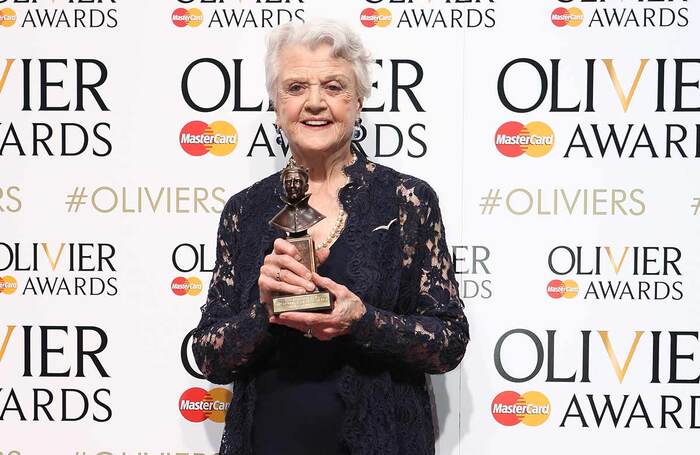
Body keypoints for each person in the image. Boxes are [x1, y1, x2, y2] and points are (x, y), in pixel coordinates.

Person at [192, 18, 469, 455]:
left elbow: (449, 343)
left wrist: (362, 319)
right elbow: (209, 357)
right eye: (296, 87)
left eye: (334, 87)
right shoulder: (244, 211)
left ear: (358, 100)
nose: (315, 103)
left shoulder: (407, 200)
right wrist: (263, 313)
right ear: (275, 103)